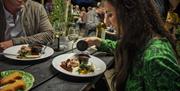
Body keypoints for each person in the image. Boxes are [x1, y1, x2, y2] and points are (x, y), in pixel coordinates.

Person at [85, 0, 180, 91]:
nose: (106, 22)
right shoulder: (139, 40)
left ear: (129, 13)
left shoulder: (156, 59)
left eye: (110, 15)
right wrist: (98, 42)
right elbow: (120, 47)